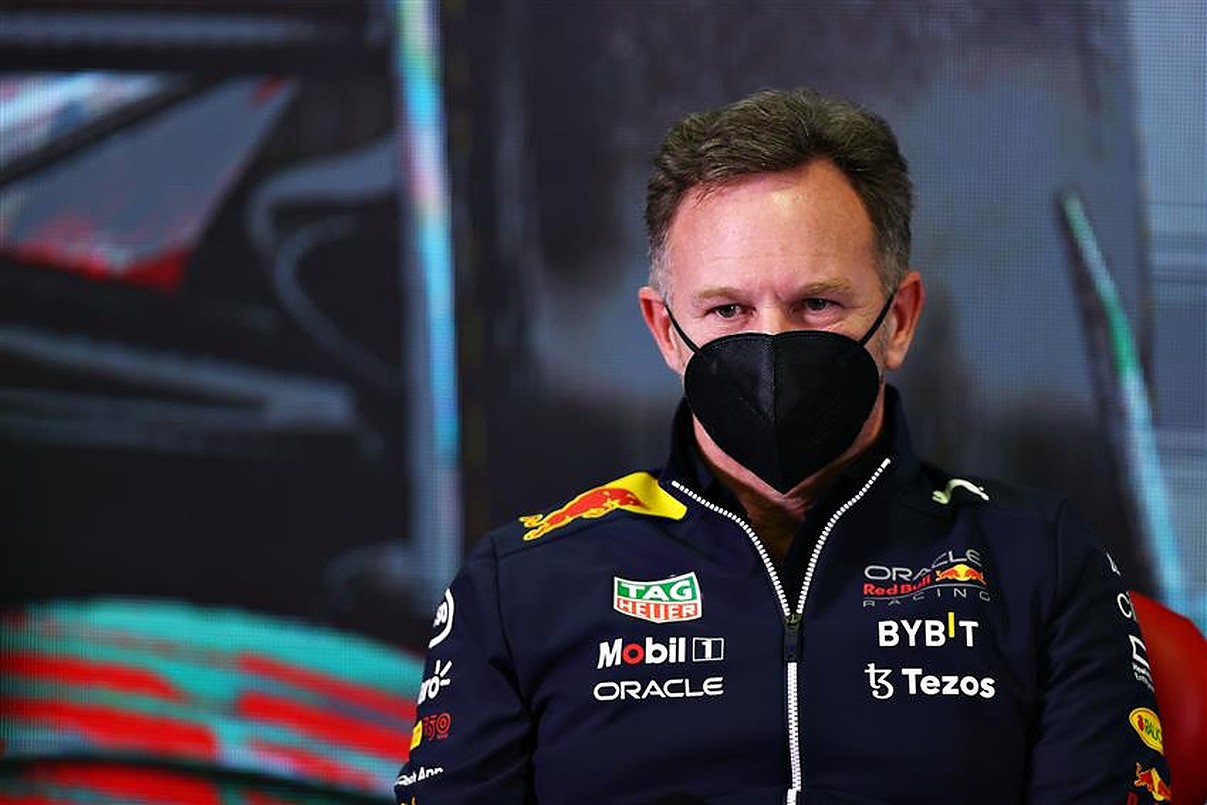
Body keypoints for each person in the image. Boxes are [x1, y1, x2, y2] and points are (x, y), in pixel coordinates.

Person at [394, 88, 1172, 804]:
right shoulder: (519, 585)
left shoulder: (1040, 563)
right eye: (727, 309)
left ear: (899, 319)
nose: (770, 343)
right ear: (664, 329)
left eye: (817, 302)